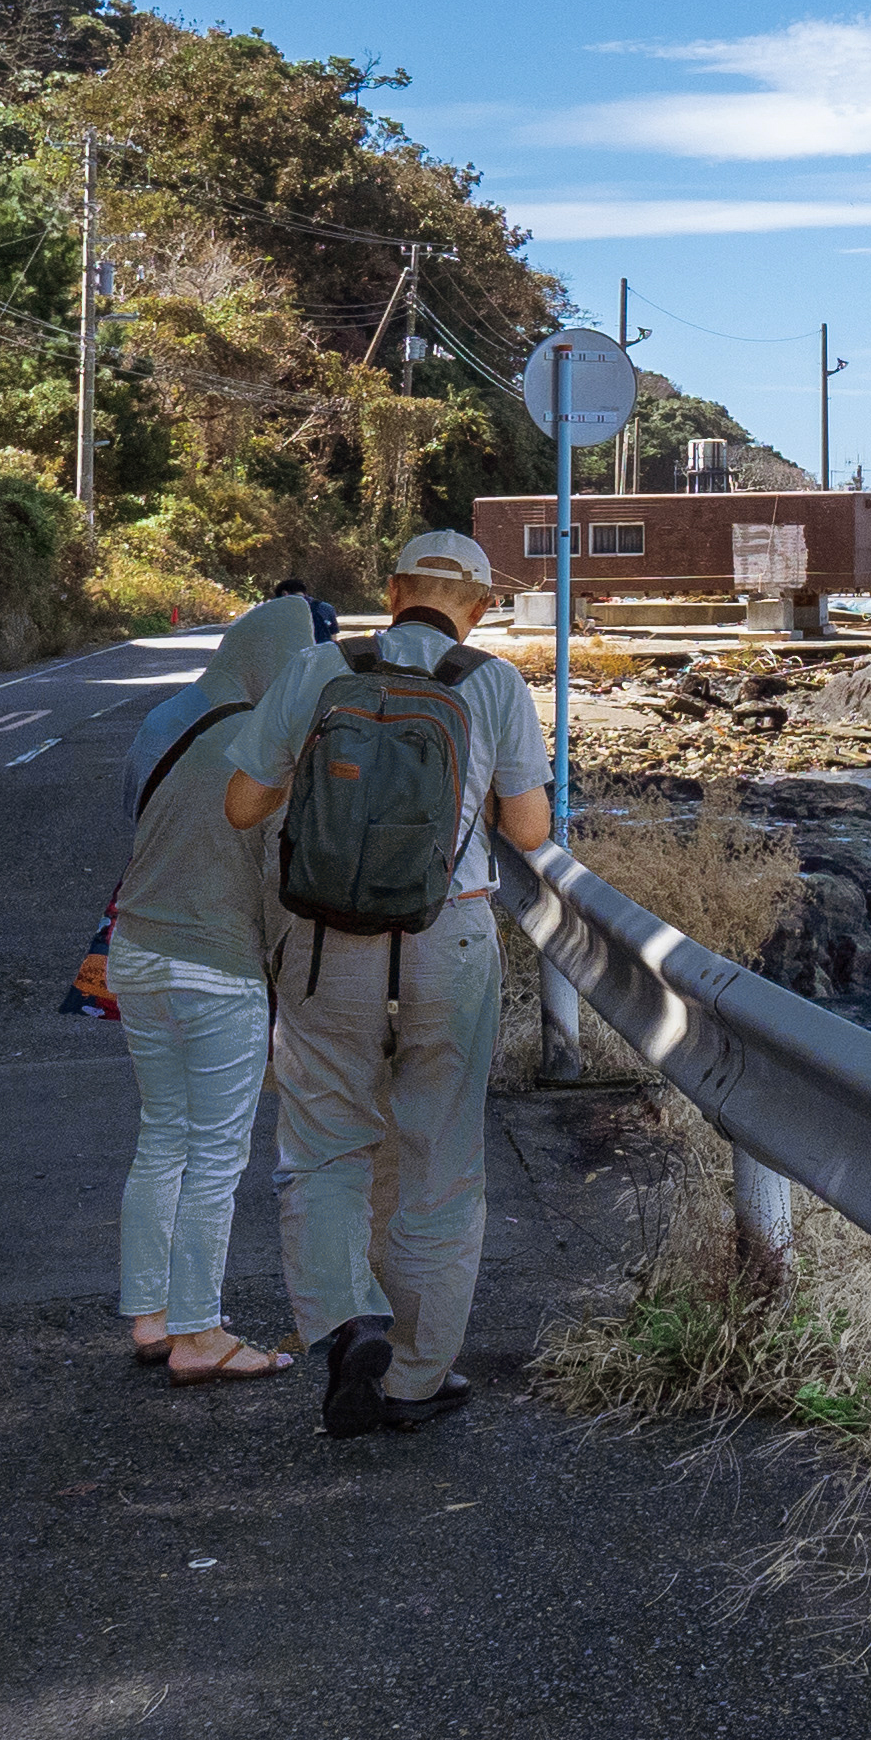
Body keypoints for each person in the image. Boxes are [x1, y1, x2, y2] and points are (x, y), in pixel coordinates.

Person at [221, 527, 551, 1437]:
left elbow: (242, 804)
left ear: (394, 590)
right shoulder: (494, 684)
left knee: (326, 1145)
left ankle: (347, 1320)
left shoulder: (319, 669)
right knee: (441, 1158)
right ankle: (413, 1378)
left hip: (327, 943)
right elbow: (529, 831)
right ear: (480, 609)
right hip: (450, 940)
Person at [109, 590, 327, 1382]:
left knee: (162, 1136)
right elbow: (280, 884)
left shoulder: (175, 726)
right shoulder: (267, 752)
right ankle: (200, 1334)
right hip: (215, 969)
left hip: (136, 952)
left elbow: (136, 822)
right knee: (216, 1157)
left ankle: (151, 1316)